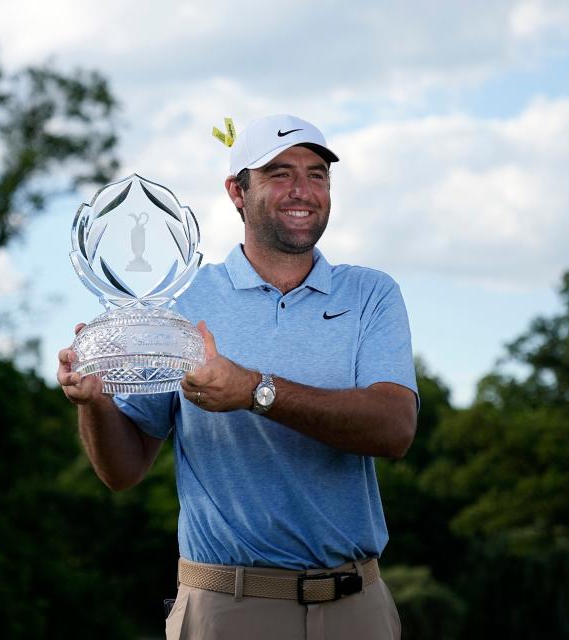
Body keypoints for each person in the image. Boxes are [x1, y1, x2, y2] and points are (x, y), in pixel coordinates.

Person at [57, 114, 418, 639]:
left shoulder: (369, 294)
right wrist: (94, 404)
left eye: (317, 174)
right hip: (225, 606)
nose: (303, 190)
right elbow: (123, 469)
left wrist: (254, 391)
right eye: (279, 174)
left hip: (355, 605)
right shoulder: (178, 302)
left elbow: (394, 428)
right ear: (237, 192)